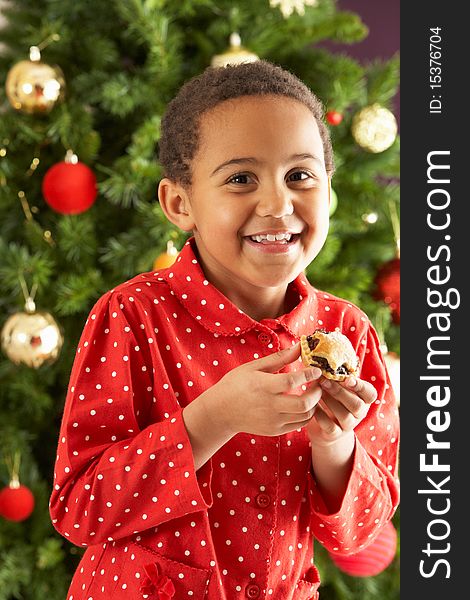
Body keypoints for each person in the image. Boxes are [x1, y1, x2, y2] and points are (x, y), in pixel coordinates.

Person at [49, 59, 399, 600]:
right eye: (241, 179)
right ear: (179, 202)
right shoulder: (132, 317)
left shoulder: (346, 329)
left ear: (328, 190)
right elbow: (79, 509)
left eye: (300, 176)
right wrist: (213, 419)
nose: (278, 204)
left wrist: (333, 442)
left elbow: (360, 533)